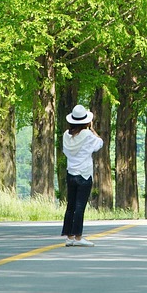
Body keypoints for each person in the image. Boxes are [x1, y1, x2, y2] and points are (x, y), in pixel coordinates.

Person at [61, 103, 103, 247]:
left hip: (70, 173)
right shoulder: (88, 135)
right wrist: (92, 129)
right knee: (80, 206)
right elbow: (100, 143)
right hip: (84, 175)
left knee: (70, 205)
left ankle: (69, 236)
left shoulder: (66, 136)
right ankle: (78, 237)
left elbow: (66, 152)